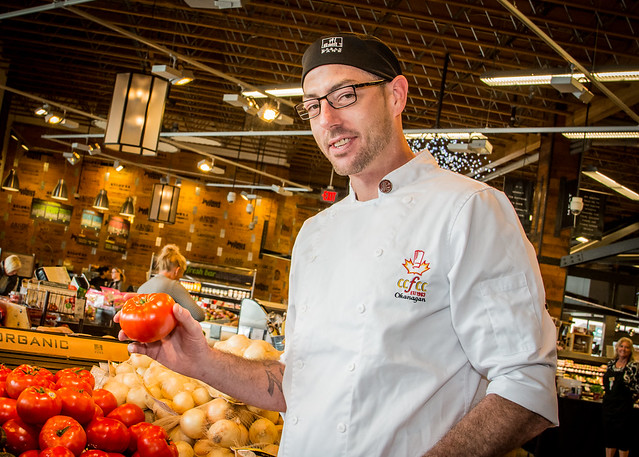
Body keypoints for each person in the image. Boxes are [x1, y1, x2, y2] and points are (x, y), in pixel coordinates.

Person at [116, 33, 558, 456]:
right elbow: (299, 383)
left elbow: (526, 384)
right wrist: (201, 362)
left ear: (396, 95)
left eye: (346, 95)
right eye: (312, 106)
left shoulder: (469, 210)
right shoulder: (315, 234)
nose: (328, 120)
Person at [135, 244, 205, 322]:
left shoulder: (143, 286)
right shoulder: (173, 285)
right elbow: (198, 315)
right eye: (180, 274)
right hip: (163, 332)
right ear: (177, 271)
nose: (179, 278)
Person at [602, 337, 639, 457]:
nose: (623, 349)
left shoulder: (633, 366)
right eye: (621, 346)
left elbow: (637, 388)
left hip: (624, 408)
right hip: (609, 407)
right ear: (617, 348)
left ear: (630, 350)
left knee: (623, 439)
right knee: (609, 437)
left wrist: (630, 400)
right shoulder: (611, 364)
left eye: (627, 347)